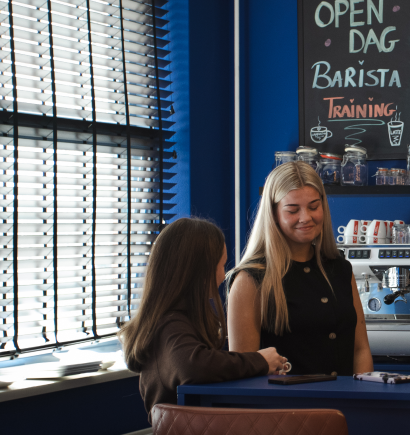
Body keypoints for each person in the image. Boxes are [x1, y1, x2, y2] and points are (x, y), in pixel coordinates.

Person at [119, 217, 288, 422]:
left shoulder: (171, 321)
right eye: (221, 265)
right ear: (198, 270)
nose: (223, 276)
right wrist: (260, 360)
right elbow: (192, 366)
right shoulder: (169, 324)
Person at [227, 161, 373, 377]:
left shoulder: (340, 269)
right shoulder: (250, 279)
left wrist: (363, 393)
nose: (305, 218)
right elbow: (243, 371)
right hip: (285, 399)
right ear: (273, 214)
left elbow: (360, 350)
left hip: (345, 398)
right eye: (293, 210)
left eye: (313, 207)